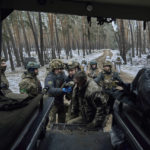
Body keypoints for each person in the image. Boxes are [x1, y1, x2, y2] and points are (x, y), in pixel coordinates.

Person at [45, 59, 72, 123]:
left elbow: (67, 80)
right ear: (53, 69)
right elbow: (51, 90)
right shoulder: (49, 77)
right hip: (51, 101)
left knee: (62, 117)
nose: (59, 70)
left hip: (60, 99)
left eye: (61, 69)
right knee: (51, 120)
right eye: (57, 69)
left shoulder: (61, 74)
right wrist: (63, 90)